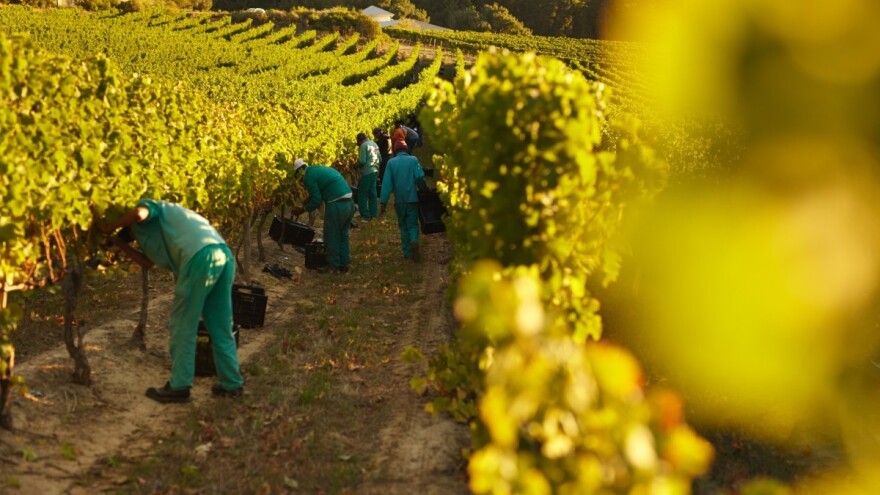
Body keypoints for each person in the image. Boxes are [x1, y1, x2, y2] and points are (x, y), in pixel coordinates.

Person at [99, 199, 244, 403]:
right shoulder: (161, 228)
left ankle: (179, 386)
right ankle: (232, 384)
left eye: (130, 233)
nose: (135, 237)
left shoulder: (150, 206)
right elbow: (147, 263)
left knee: (183, 324)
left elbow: (139, 214)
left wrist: (109, 227)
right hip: (221, 254)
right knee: (221, 325)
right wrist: (118, 242)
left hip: (199, 258)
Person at [290, 159, 355, 273]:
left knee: (331, 235)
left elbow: (317, 200)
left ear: (300, 171)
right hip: (349, 203)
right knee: (343, 234)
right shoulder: (316, 169)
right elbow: (318, 191)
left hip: (337, 204)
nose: (299, 181)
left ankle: (334, 265)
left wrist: (302, 210)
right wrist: (307, 199)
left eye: (297, 176)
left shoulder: (308, 177)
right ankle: (344, 263)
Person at [380, 141, 428, 262]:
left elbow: (386, 184)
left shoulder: (391, 163)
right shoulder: (413, 160)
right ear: (406, 150)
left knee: (403, 225)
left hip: (399, 201)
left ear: (395, 151)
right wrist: (424, 189)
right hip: (412, 199)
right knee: (412, 224)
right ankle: (414, 241)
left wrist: (383, 203)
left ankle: (407, 252)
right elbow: (419, 177)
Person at [356, 132, 380, 221]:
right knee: (372, 192)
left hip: (367, 172)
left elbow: (362, 161)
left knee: (362, 193)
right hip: (375, 171)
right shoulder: (374, 144)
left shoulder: (363, 146)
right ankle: (373, 214)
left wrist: (356, 165)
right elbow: (380, 158)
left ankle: (365, 215)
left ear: (359, 140)